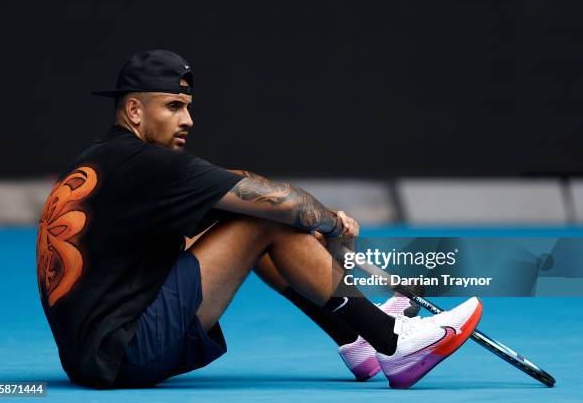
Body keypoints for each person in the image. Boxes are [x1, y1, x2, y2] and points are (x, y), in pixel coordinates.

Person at [36, 49, 483, 390]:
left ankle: (356, 336)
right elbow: (274, 202)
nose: (188, 120)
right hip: (128, 353)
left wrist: (296, 217)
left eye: (188, 106)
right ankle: (392, 341)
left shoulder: (107, 160)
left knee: (247, 214)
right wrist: (329, 224)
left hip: (92, 357)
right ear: (135, 111)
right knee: (264, 219)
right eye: (173, 106)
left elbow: (233, 186)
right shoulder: (146, 163)